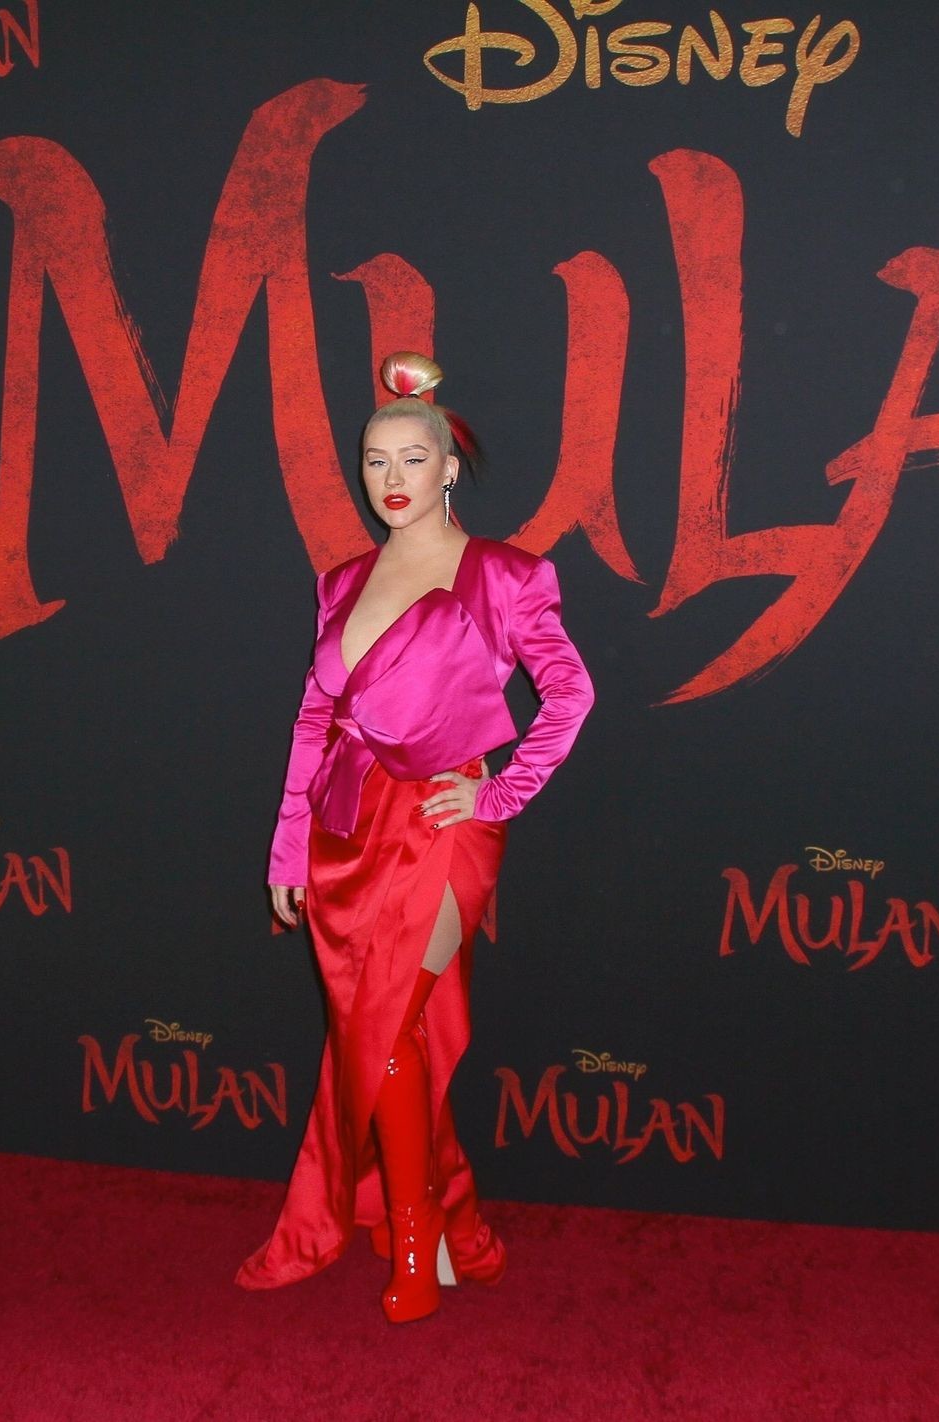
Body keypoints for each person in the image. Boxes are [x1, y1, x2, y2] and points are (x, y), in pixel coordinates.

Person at [237, 351, 596, 1323]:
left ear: (448, 469)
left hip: (441, 823)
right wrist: (287, 849)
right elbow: (314, 721)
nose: (391, 479)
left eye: (411, 458)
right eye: (374, 461)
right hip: (345, 827)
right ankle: (450, 1220)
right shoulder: (342, 582)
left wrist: (499, 794)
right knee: (384, 1033)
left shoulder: (508, 576)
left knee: (391, 1024)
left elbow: (570, 694)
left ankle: (411, 1241)